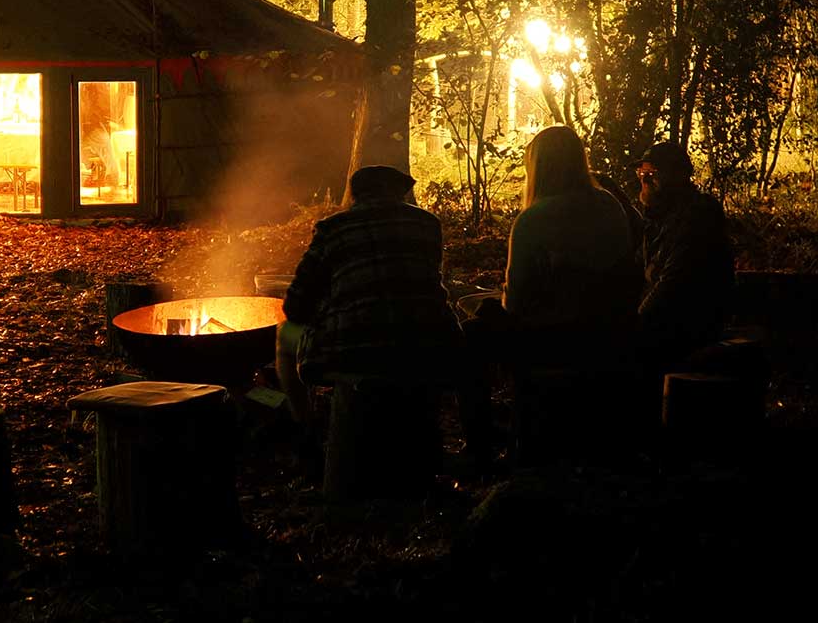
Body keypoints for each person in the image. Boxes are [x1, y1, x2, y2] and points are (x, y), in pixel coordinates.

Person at [276, 166, 466, 476]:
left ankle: (306, 430)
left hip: (354, 352)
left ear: (355, 196)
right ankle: (476, 450)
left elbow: (296, 307)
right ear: (400, 193)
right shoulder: (427, 224)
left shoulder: (332, 229)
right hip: (430, 346)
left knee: (286, 335)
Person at [493, 125, 643, 365]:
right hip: (614, 331)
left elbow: (515, 301)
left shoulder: (533, 219)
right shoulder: (609, 204)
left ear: (537, 167)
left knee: (473, 331)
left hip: (556, 339)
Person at [633, 140, 735, 373]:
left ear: (679, 176)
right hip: (664, 323)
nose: (644, 180)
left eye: (653, 173)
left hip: (687, 327)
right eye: (642, 172)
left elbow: (672, 284)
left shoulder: (696, 216)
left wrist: (634, 324)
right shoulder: (657, 218)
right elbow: (639, 268)